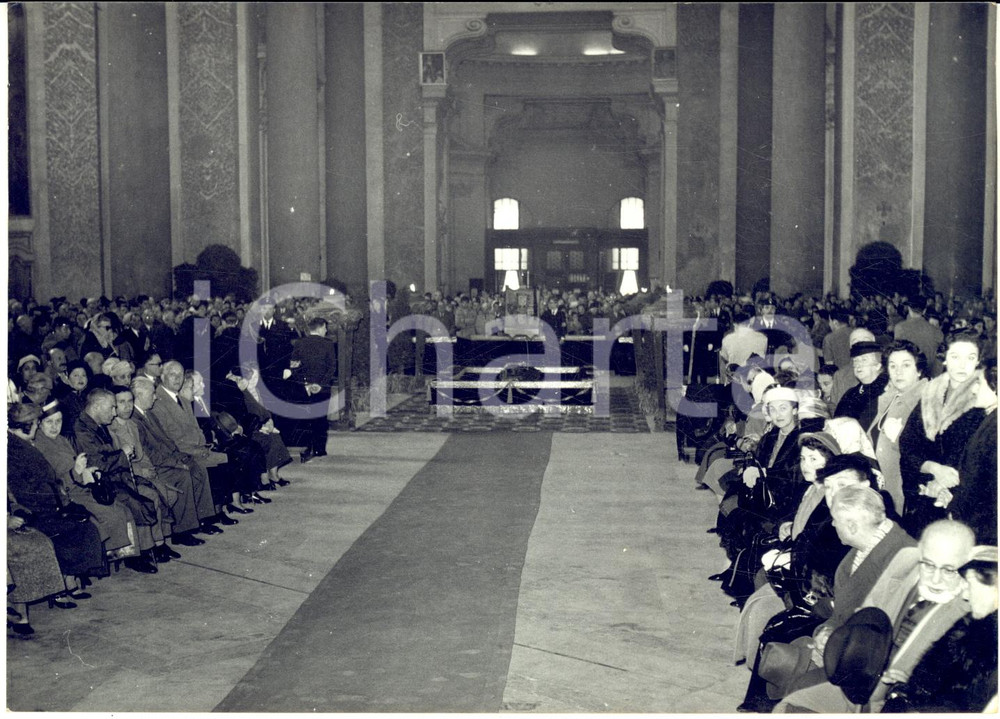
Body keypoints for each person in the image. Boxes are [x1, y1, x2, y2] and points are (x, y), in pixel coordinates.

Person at [775, 519, 975, 713]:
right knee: (791, 702)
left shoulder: (969, 613)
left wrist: (910, 686)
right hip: (861, 677)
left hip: (901, 701)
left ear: (967, 566)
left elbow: (954, 693)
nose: (935, 578)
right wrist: (834, 633)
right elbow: (866, 615)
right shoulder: (905, 564)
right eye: (928, 565)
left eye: (949, 570)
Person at [880, 544, 998, 713]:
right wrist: (913, 686)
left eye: (970, 584)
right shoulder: (970, 628)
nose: (965, 596)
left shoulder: (989, 646)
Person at [7, 403, 106, 599]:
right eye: (36, 424)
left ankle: (67, 577)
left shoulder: (21, 443)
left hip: (47, 504)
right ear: (27, 426)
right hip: (32, 511)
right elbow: (24, 491)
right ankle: (61, 584)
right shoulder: (14, 449)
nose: (37, 428)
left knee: (83, 524)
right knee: (77, 527)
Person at [898, 329, 991, 536]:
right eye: (955, 356)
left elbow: (979, 460)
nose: (962, 364)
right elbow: (907, 444)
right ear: (945, 359)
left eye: (970, 357)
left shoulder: (983, 399)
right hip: (925, 492)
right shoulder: (930, 392)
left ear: (978, 361)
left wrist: (946, 487)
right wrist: (933, 469)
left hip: (961, 500)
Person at [32, 399, 144, 568]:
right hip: (67, 494)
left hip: (81, 486)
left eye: (58, 421)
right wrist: (78, 472)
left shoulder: (62, 440)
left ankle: (126, 555)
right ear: (40, 423)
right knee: (111, 514)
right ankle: (108, 556)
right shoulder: (40, 445)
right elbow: (56, 478)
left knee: (123, 509)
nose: (54, 426)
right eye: (49, 422)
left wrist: (89, 470)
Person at [71, 389, 160, 573]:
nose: (114, 412)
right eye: (111, 407)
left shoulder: (96, 425)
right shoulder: (82, 430)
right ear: (96, 406)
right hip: (99, 484)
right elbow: (97, 462)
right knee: (135, 501)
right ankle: (136, 555)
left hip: (113, 477)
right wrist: (122, 454)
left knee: (143, 497)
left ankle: (147, 549)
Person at [867, 340, 930, 515]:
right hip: (883, 493)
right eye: (893, 366)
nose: (898, 372)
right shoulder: (890, 398)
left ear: (919, 370)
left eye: (906, 365)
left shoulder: (924, 403)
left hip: (905, 499)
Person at [290, 316, 337, 463]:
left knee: (306, 418)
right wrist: (320, 384)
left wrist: (306, 383)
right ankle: (319, 449)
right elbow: (332, 368)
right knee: (321, 419)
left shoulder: (299, 343)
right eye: (325, 328)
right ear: (321, 327)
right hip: (322, 389)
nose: (326, 330)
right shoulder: (328, 344)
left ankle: (307, 446)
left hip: (305, 389)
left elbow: (294, 366)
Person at [834, 340, 889, 430]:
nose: (858, 365)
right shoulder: (851, 393)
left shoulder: (887, 391)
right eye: (855, 361)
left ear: (878, 365)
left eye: (864, 360)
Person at [894, 298, 944, 378]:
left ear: (909, 309)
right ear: (924, 310)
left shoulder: (899, 328)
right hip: (928, 375)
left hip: (906, 374)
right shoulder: (935, 330)